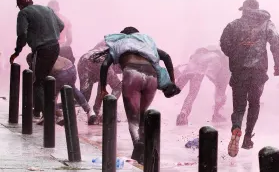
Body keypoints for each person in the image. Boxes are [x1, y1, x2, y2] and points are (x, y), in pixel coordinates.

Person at [98, 26, 180, 164]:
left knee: (132, 117)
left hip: (132, 74)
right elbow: (166, 56)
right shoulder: (145, 43)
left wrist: (102, 88)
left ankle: (138, 145)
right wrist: (172, 81)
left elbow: (105, 65)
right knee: (142, 115)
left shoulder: (119, 43)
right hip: (151, 76)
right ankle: (143, 153)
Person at [220, 0, 279, 157]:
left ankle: (236, 128)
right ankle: (248, 137)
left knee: (239, 106)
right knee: (254, 103)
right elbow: (276, 41)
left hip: (239, 71)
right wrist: (278, 65)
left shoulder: (234, 25)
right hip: (258, 71)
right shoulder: (267, 23)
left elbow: (224, 43)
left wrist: (235, 54)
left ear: (244, 10)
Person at [10, 0, 64, 119]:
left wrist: (17, 52)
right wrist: (51, 34)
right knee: (44, 78)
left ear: (20, 5)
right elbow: (60, 25)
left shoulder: (23, 13)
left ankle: (49, 115)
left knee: (38, 82)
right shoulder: (47, 9)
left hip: (42, 49)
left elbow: (22, 34)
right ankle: (37, 111)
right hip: (55, 47)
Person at [26, 54, 97, 125]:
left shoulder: (37, 63)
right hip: (71, 68)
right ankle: (90, 111)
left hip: (60, 73)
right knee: (73, 89)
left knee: (50, 95)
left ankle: (58, 116)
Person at [175, 46, 231, 125]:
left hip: (194, 60)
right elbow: (220, 86)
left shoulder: (215, 50)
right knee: (192, 93)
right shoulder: (225, 64)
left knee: (178, 87)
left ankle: (183, 112)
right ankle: (183, 113)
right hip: (201, 67)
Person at [77, 40, 122, 116]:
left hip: (84, 59)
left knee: (84, 97)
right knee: (118, 87)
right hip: (101, 63)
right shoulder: (122, 49)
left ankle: (89, 113)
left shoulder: (107, 41)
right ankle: (107, 113)